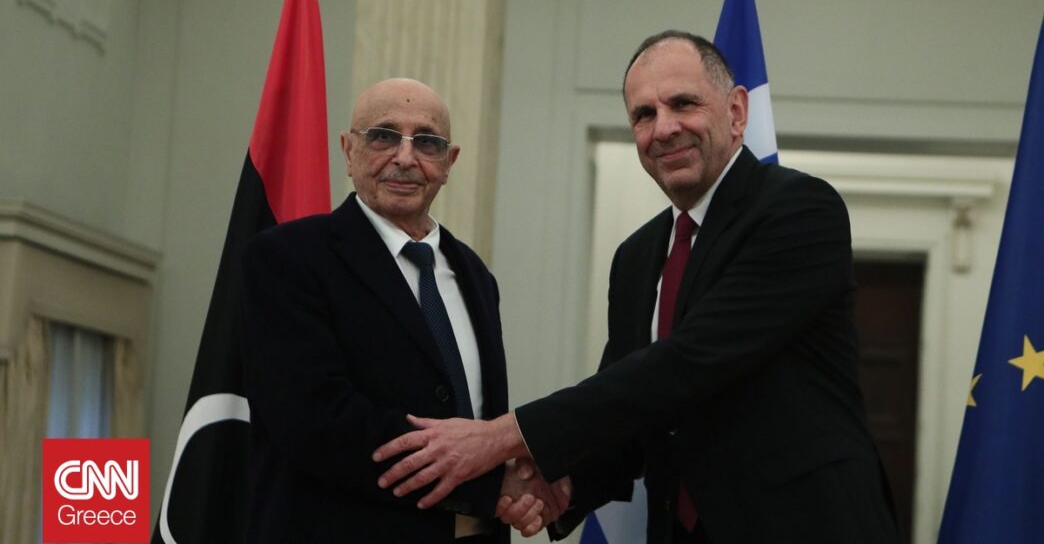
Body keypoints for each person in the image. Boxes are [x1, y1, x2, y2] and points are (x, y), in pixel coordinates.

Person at [372, 33, 901, 544]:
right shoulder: (638, 256)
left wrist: (502, 436)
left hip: (806, 525)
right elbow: (634, 411)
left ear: (737, 112)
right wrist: (566, 485)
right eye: (644, 115)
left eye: (683, 104)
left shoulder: (799, 210)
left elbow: (689, 363)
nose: (664, 128)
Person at [240, 78, 564, 543]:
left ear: (449, 163)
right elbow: (316, 422)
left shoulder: (475, 275)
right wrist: (489, 485)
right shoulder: (287, 258)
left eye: (427, 142)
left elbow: (478, 418)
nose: (405, 158)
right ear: (348, 151)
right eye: (383, 136)